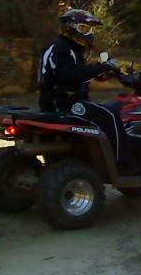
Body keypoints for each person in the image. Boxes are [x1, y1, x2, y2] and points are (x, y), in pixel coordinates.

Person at [38, 9, 134, 171]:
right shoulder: (60, 49)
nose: (88, 34)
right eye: (84, 29)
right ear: (69, 28)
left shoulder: (70, 49)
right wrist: (100, 67)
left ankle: (92, 159)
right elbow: (68, 74)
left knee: (109, 109)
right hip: (62, 104)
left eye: (90, 29)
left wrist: (100, 74)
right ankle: (122, 163)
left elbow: (74, 75)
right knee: (109, 115)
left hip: (65, 100)